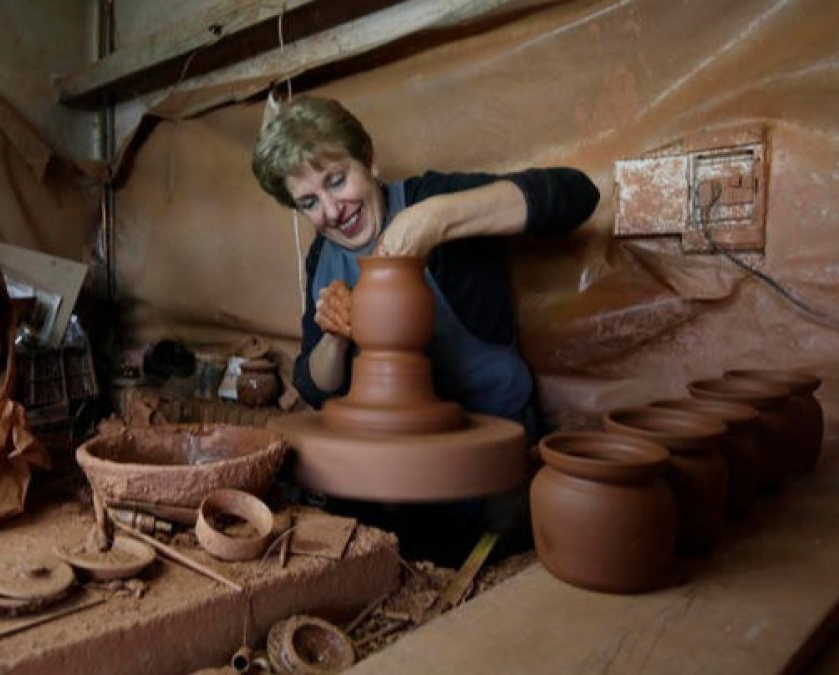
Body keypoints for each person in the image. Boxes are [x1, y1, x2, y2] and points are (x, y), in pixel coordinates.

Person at [251, 96, 599, 564]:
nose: (333, 211)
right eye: (310, 202)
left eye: (338, 180)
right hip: (388, 472)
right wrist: (335, 335)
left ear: (369, 159)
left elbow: (577, 194)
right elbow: (316, 388)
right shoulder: (323, 257)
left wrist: (435, 221)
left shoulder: (431, 198)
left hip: (480, 464)